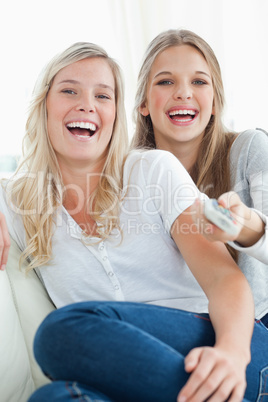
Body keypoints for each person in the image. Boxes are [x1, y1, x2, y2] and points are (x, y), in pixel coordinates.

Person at [0, 42, 261, 402]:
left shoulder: (154, 171)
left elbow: (223, 278)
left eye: (103, 96)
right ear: (43, 104)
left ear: (115, 115)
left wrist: (232, 354)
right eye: (69, 90)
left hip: (223, 348)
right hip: (127, 374)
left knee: (59, 332)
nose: (86, 104)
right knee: (52, 398)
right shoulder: (17, 204)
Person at [132, 28, 268, 325]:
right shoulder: (130, 175)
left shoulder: (249, 150)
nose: (183, 92)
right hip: (178, 326)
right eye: (166, 81)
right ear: (143, 103)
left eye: (199, 81)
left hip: (256, 324)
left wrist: (247, 228)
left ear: (215, 102)